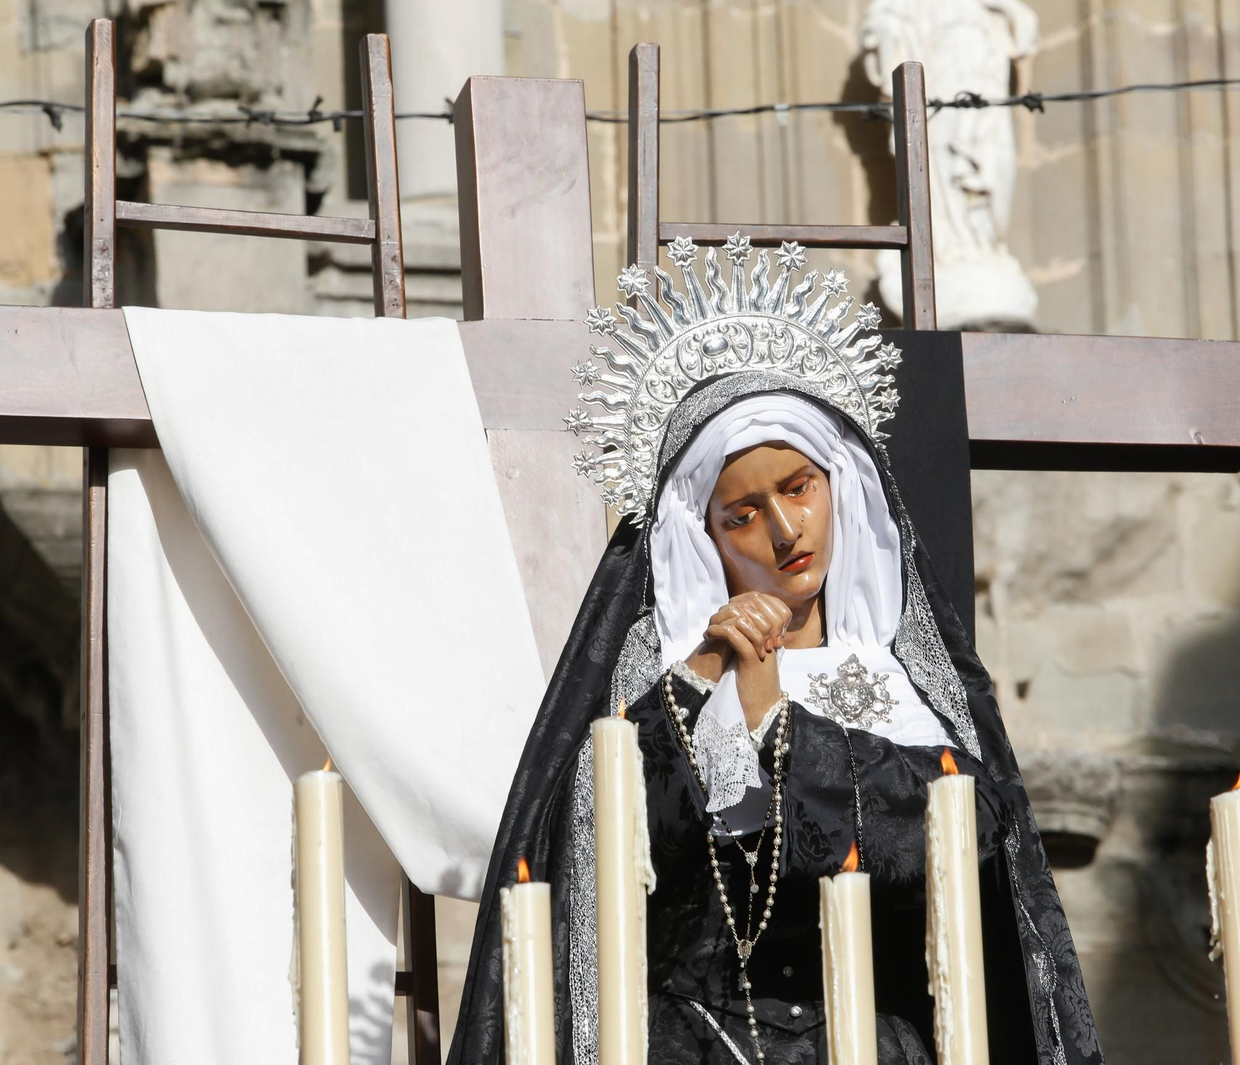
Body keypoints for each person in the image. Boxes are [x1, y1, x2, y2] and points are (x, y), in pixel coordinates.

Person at [446, 237, 1104, 1065]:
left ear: (839, 488)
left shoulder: (901, 677)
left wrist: (777, 723)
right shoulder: (662, 686)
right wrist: (708, 679)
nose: (788, 531)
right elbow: (597, 859)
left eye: (799, 488)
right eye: (744, 514)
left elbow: (972, 840)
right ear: (704, 537)